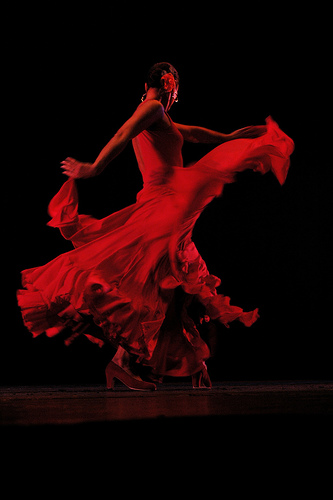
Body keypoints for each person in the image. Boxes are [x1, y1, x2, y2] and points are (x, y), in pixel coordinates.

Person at [17, 62, 294, 390]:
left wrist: (229, 136)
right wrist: (93, 168)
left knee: (169, 282)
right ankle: (140, 361)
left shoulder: (159, 116)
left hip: (165, 205)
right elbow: (123, 133)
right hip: (162, 204)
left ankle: (143, 362)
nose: (177, 96)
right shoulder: (150, 108)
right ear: (168, 84)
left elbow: (189, 133)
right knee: (158, 278)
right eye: (177, 89)